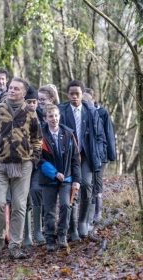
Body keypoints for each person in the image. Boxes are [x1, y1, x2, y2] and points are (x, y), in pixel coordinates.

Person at [0, 77, 42, 259]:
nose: (12, 91)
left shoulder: (31, 112)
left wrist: (33, 160)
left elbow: (37, 139)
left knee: (19, 205)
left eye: (16, 89)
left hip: (23, 165)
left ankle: (15, 245)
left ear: (24, 93)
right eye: (11, 88)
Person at [58, 80, 106, 240]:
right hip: (68, 157)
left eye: (77, 94)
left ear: (81, 95)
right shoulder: (62, 111)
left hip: (86, 155)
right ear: (67, 95)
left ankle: (83, 221)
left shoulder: (91, 112)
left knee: (86, 184)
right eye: (71, 94)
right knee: (71, 187)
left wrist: (98, 153)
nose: (74, 97)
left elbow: (100, 136)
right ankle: (71, 228)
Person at [39, 104, 81, 251]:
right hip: (48, 179)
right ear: (45, 119)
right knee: (49, 210)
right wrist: (54, 173)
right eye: (50, 116)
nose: (54, 119)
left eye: (56, 115)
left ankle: (62, 234)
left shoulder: (69, 134)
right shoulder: (40, 135)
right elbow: (38, 159)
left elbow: (75, 159)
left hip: (67, 178)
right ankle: (50, 238)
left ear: (59, 116)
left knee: (65, 205)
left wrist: (77, 180)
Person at [84, 88, 116, 224]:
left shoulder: (102, 113)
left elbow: (108, 133)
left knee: (97, 182)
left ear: (93, 99)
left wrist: (110, 154)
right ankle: (87, 213)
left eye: (87, 100)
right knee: (86, 183)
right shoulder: (82, 112)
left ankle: (98, 212)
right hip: (86, 154)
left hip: (100, 154)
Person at [23, 86, 46, 246]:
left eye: (34, 102)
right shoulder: (19, 117)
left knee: (36, 190)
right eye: (29, 102)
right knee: (23, 196)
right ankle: (27, 234)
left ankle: (38, 230)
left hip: (38, 163)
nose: (32, 104)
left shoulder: (42, 118)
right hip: (22, 163)